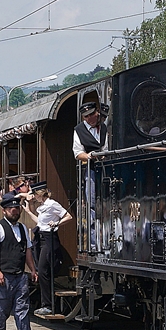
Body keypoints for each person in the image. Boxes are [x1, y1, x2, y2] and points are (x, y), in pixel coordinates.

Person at [0, 193, 40, 330]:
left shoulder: (22, 228)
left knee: (22, 308)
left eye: (16, 208)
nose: (14, 211)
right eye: (11, 208)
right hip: (4, 276)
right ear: (4, 211)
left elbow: (28, 250)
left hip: (19, 275)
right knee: (2, 310)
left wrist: (32, 269)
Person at [27, 181, 71, 317]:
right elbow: (40, 223)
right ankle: (47, 304)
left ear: (39, 193)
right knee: (42, 270)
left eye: (34, 194)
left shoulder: (52, 204)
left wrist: (57, 223)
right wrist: (28, 211)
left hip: (49, 238)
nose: (33, 197)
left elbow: (68, 216)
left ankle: (48, 305)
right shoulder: (42, 206)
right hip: (40, 237)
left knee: (43, 270)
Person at [73, 101, 108, 249]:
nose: (91, 118)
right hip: (92, 169)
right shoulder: (79, 130)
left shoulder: (106, 126)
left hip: (109, 166)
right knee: (92, 205)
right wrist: (89, 156)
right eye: (87, 116)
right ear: (84, 117)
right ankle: (94, 244)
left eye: (92, 114)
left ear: (97, 112)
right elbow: (77, 153)